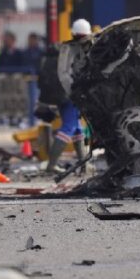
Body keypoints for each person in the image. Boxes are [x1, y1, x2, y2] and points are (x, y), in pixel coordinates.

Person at [45, 19, 92, 174]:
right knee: (69, 127)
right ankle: (51, 165)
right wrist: (75, 93)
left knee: (78, 128)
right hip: (69, 94)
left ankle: (83, 164)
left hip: (65, 94)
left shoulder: (68, 47)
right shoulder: (72, 49)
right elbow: (67, 75)